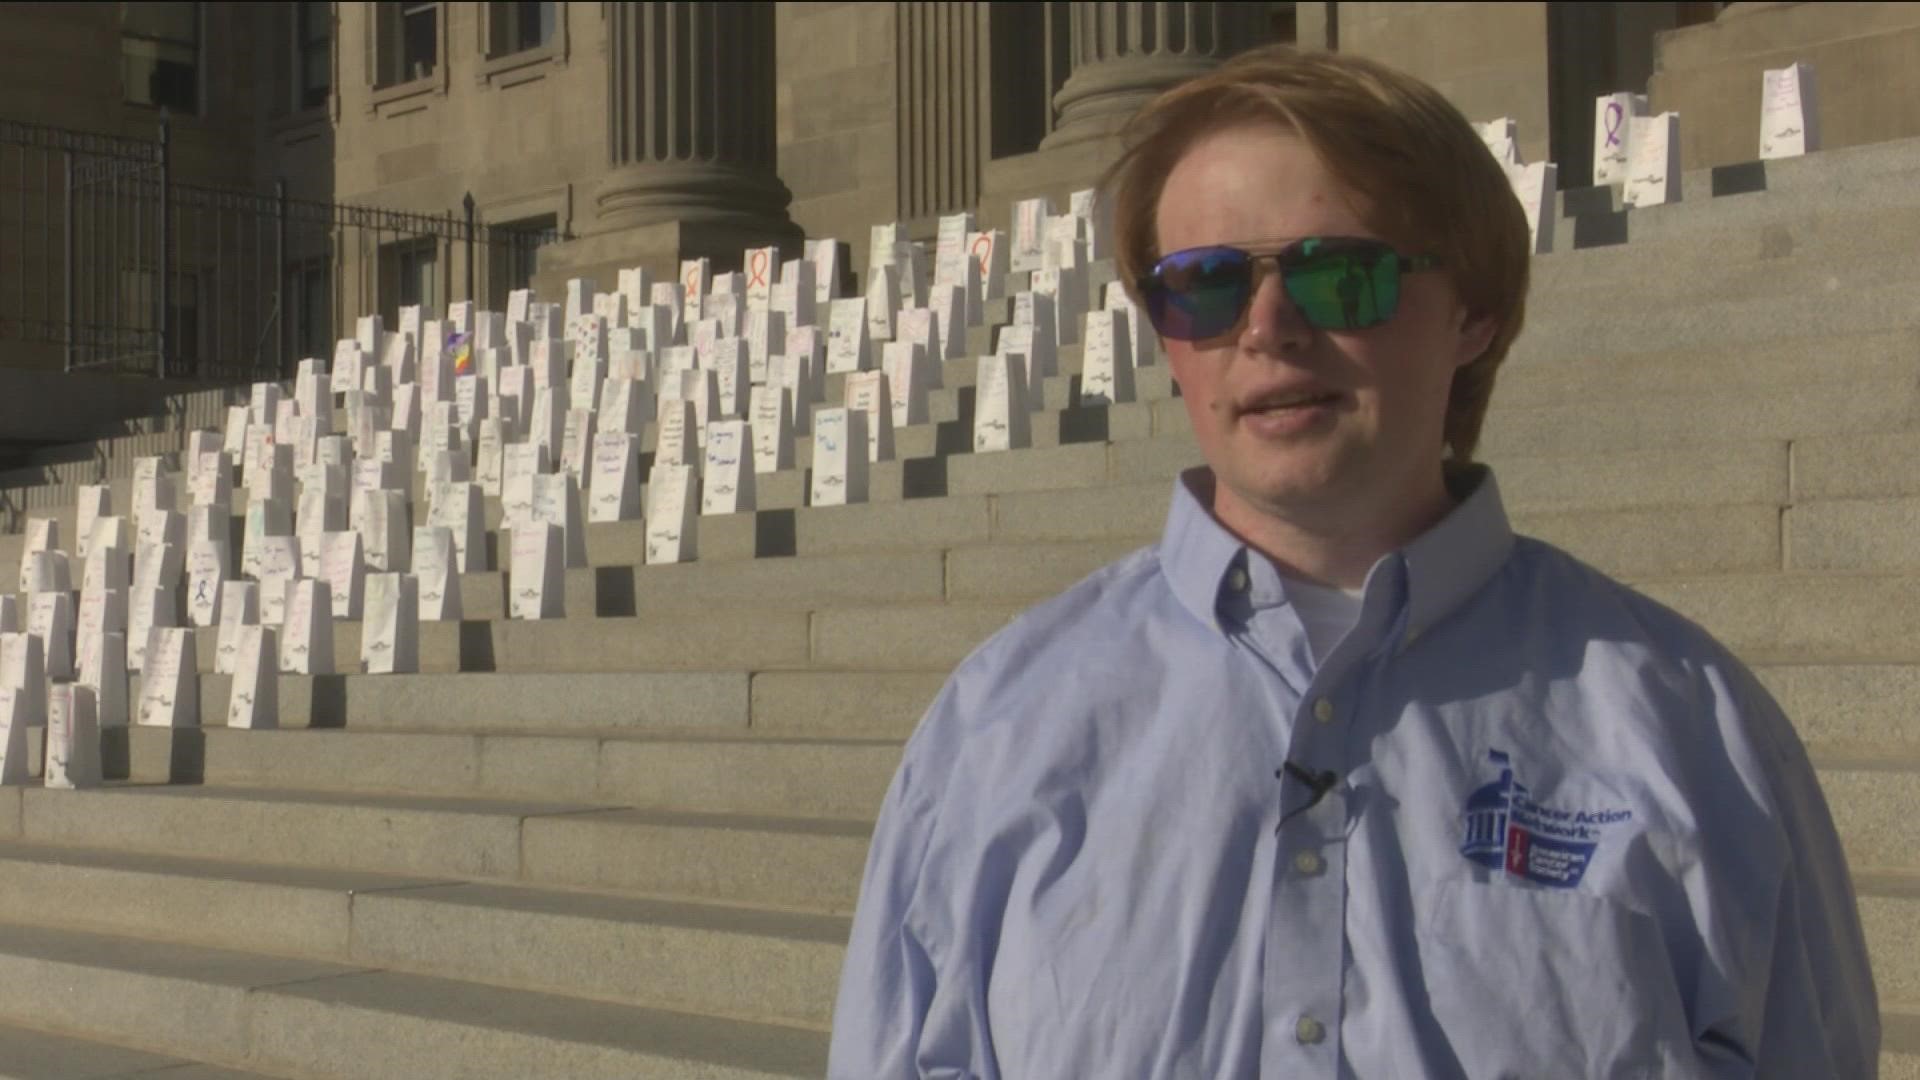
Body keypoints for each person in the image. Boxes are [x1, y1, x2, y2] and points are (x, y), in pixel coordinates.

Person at [828, 44, 1880, 1079]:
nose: (1270, 329)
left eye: (1342, 274)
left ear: (1475, 309)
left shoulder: (1687, 722)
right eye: (1205, 285)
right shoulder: (1000, 726)